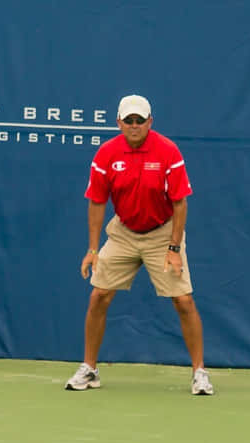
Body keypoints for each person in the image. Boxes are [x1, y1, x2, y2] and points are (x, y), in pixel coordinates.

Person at [65, 94, 213, 395]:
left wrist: (173, 248)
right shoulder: (107, 154)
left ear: (150, 122)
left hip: (163, 233)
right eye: (129, 121)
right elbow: (96, 202)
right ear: (119, 122)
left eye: (140, 121)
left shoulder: (168, 151)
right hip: (123, 232)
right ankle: (90, 369)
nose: (134, 126)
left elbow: (180, 204)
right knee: (99, 295)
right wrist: (93, 250)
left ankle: (200, 372)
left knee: (183, 301)